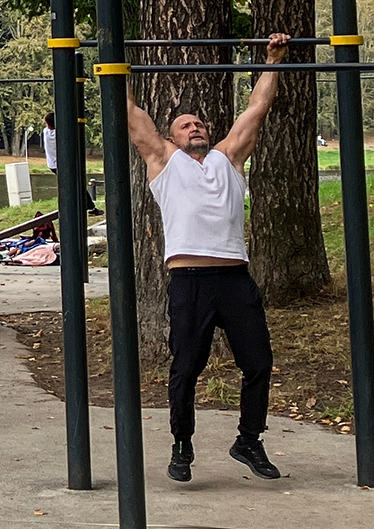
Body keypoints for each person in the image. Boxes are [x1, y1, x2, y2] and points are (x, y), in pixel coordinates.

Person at [124, 32, 293, 484]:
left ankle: (249, 439)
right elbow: (131, 116)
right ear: (172, 138)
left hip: (235, 279)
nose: (193, 128)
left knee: (258, 363)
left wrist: (273, 60)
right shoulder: (163, 162)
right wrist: (114, 62)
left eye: (198, 123)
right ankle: (182, 445)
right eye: (184, 125)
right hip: (189, 281)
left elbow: (255, 109)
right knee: (185, 370)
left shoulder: (228, 159)